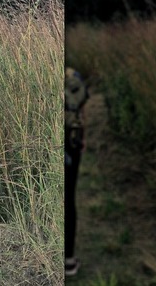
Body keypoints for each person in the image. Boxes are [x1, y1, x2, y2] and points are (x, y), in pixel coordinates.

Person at [65, 67, 89, 276]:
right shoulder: (72, 75)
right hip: (71, 141)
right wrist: (83, 137)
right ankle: (68, 261)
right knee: (68, 198)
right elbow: (81, 111)